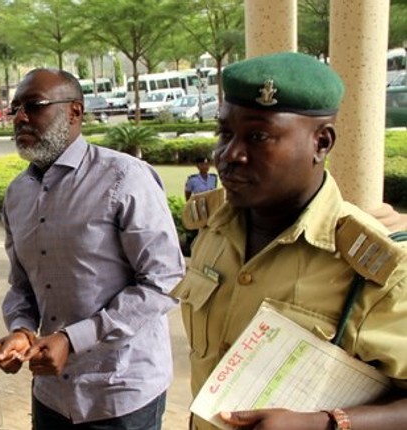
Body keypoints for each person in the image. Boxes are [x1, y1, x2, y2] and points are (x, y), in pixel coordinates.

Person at [173, 52, 407, 430]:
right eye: (225, 134)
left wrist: (327, 423)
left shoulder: (378, 268)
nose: (229, 155)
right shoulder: (212, 230)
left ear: (321, 143)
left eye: (259, 136)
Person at [0, 68, 185, 429]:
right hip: (51, 396)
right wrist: (22, 330)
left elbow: (165, 281)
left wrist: (72, 338)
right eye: (14, 108)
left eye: (34, 105)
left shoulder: (126, 177)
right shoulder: (18, 194)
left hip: (121, 394)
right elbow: (21, 286)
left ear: (75, 112)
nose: (19, 117)